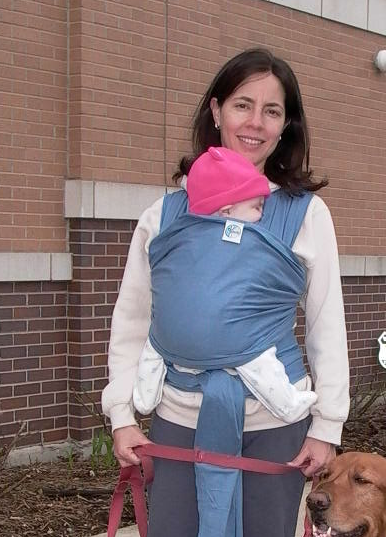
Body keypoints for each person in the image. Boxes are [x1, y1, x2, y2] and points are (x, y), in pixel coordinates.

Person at [103, 47, 349, 537]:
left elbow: (327, 326)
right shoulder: (166, 212)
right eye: (243, 104)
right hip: (177, 425)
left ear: (286, 125)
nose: (256, 122)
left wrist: (327, 424)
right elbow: (132, 319)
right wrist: (122, 413)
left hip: (272, 429)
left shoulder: (303, 215)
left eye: (272, 110)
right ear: (215, 110)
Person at [131, 144, 318, 424]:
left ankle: (144, 396)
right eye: (256, 207)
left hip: (170, 339)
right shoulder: (240, 238)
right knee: (262, 363)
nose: (261, 215)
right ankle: (287, 403)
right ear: (227, 211)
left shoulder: (176, 231)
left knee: (153, 350)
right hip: (240, 342)